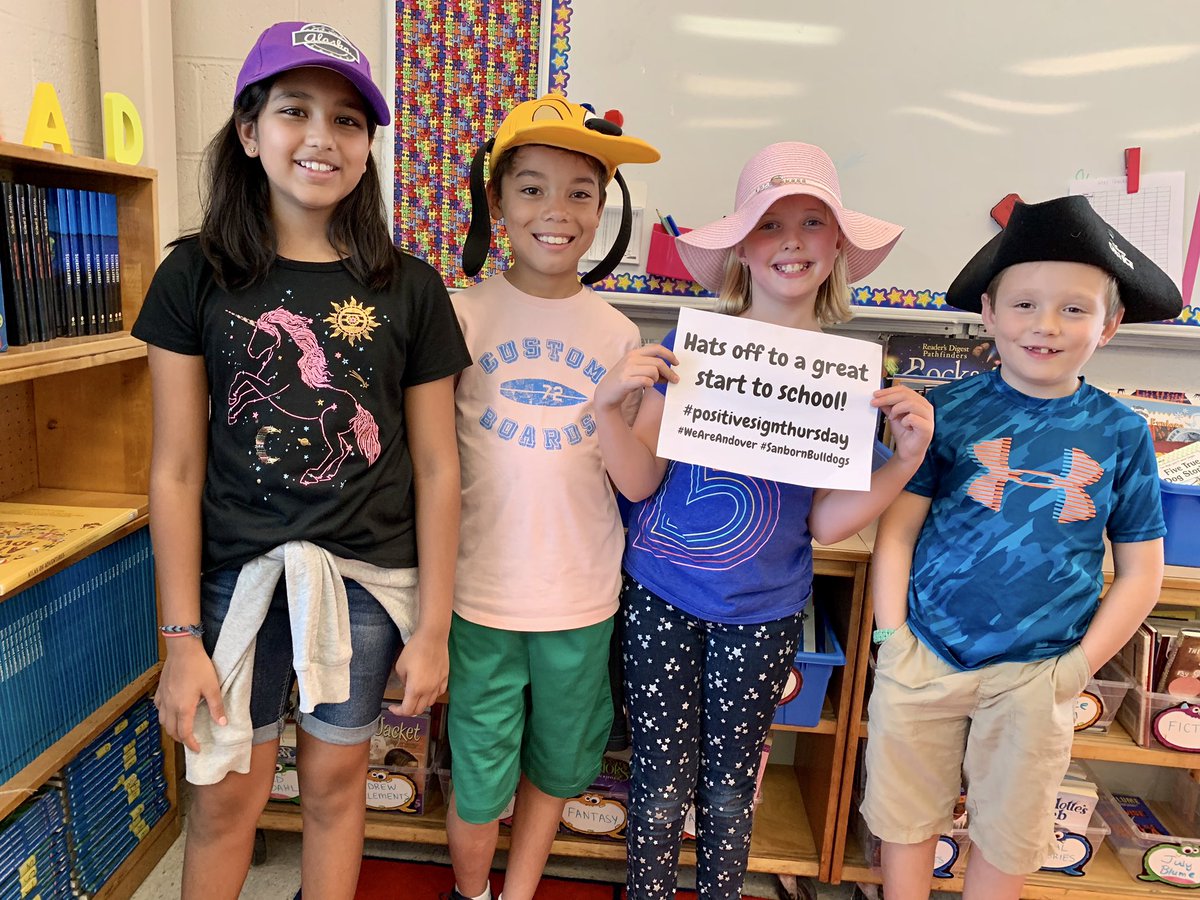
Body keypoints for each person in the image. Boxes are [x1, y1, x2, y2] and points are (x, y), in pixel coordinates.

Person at [131, 21, 470, 899]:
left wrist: (432, 629)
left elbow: (437, 468)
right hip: (233, 582)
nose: (322, 137)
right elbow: (174, 468)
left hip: (364, 585)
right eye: (295, 111)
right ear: (249, 132)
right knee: (224, 799)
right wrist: (178, 639)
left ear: (366, 147)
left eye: (349, 120)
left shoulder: (411, 286)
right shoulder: (193, 277)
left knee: (333, 789)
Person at [593, 141, 935, 900]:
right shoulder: (689, 351)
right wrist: (606, 414)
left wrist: (904, 462)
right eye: (769, 224)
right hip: (660, 594)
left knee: (728, 788)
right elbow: (641, 478)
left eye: (813, 222)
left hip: (764, 609)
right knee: (654, 783)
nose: (790, 240)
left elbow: (824, 524)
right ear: (742, 247)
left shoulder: (850, 378)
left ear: (837, 245)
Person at [862, 195, 1183, 900]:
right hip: (927, 657)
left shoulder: (1123, 433)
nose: (1045, 325)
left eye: (1075, 309)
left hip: (1040, 675)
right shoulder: (946, 412)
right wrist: (893, 635)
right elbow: (899, 530)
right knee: (905, 819)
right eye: (1025, 304)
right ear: (989, 311)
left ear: (1112, 324)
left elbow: (1140, 570)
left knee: (1010, 833)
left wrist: (1077, 670)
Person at [446, 94, 660, 900]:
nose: (557, 211)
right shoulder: (458, 316)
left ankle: (520, 891)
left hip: (581, 596)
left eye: (581, 192)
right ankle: (472, 892)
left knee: (562, 762)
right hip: (479, 597)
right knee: (478, 773)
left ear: (602, 209)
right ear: (496, 201)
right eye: (531, 188)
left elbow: (637, 480)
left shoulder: (618, 335)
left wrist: (616, 407)